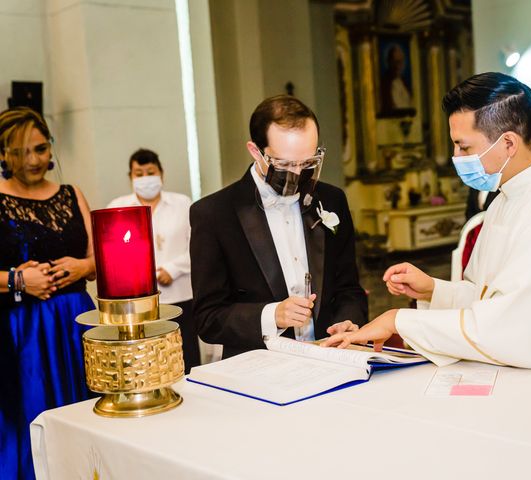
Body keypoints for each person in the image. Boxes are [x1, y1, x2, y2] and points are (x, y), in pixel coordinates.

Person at [323, 72, 531, 382]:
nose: (456, 158)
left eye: (464, 147)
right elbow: (489, 298)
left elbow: (515, 327)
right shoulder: (508, 196)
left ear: (508, 143)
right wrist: (435, 289)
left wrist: (399, 320)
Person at [190, 95, 368, 358]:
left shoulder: (332, 200)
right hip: (258, 371)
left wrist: (347, 321)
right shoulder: (214, 214)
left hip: (331, 360)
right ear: (255, 151)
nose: (297, 173)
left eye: (308, 162)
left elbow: (348, 288)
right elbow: (208, 318)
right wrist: (272, 315)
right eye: (284, 164)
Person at [0, 107, 96, 480]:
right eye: (22, 152)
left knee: (84, 411)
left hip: (75, 323)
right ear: (4, 154)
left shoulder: (72, 194)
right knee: (28, 416)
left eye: (41, 149)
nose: (34, 160)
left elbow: (98, 258)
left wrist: (82, 268)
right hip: (19, 331)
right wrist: (18, 280)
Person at [107, 148, 199, 372]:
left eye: (150, 172)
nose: (145, 178)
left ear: (161, 173)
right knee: (147, 361)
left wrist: (172, 268)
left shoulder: (182, 203)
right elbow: (114, 254)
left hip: (180, 295)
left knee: (184, 356)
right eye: (139, 173)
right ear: (130, 177)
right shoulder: (118, 208)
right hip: (138, 299)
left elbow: (196, 245)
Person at [380, 44, 413, 113]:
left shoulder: (404, 82)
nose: (398, 65)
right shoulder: (385, 83)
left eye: (400, 62)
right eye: (395, 62)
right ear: (389, 62)